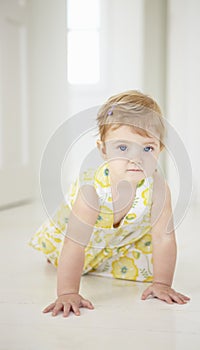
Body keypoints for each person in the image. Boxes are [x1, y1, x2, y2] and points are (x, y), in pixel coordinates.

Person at [28, 90, 191, 317]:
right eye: (123, 148)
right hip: (75, 237)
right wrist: (67, 292)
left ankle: (105, 260)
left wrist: (162, 283)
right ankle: (53, 256)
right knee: (63, 254)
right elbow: (74, 244)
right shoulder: (91, 193)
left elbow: (164, 237)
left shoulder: (158, 188)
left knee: (138, 265)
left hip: (118, 238)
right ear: (103, 150)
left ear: (159, 149)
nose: (136, 158)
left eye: (147, 148)